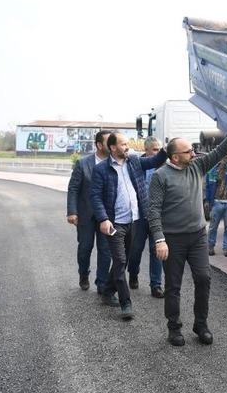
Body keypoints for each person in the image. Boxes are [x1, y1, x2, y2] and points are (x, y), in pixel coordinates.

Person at [148, 108, 227, 347]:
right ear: (174, 157)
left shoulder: (197, 166)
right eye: (188, 151)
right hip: (172, 240)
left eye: (192, 150)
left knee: (203, 278)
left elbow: (220, 150)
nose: (194, 152)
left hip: (198, 237)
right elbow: (153, 210)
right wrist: (159, 239)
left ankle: (200, 324)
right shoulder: (161, 176)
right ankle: (174, 328)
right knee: (173, 286)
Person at [90, 133, 168, 320]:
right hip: (114, 223)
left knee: (121, 261)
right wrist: (103, 219)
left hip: (134, 221)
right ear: (113, 148)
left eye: (127, 144)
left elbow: (156, 160)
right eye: (123, 144)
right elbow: (95, 196)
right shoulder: (101, 170)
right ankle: (126, 302)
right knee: (120, 261)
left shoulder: (134, 162)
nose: (127, 146)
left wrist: (166, 149)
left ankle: (108, 291)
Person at [66, 130, 113, 293]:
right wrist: (72, 211)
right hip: (85, 214)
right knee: (85, 248)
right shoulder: (82, 163)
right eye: (109, 141)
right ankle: (83, 274)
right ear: (99, 145)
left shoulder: (116, 163)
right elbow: (73, 188)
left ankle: (102, 283)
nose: (113, 144)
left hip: (107, 217)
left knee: (106, 250)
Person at [127, 136, 165, 298]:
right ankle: (133, 273)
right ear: (147, 150)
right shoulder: (135, 164)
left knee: (156, 250)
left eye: (159, 149)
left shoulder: (164, 166)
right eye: (155, 150)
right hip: (140, 217)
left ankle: (155, 285)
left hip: (158, 217)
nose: (158, 153)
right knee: (135, 250)